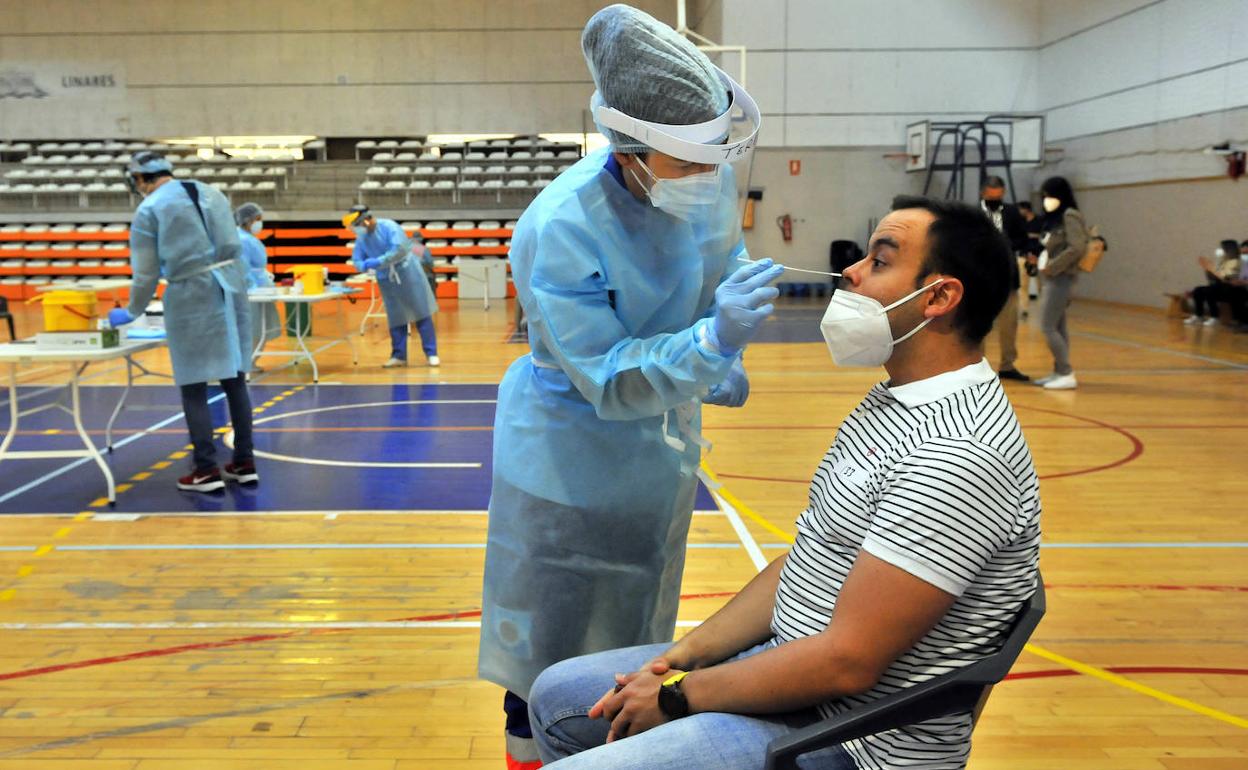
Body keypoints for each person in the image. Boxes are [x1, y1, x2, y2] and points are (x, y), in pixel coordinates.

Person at [527, 195, 1041, 770]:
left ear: (940, 297)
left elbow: (847, 663)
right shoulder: (894, 400)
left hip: (852, 736)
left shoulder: (959, 455)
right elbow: (810, 558)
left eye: (880, 260)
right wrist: (683, 656)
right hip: (793, 674)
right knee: (554, 696)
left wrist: (678, 696)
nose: (851, 271)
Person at [477, 6, 780, 768]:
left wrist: (728, 326)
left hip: (655, 457)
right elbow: (607, 376)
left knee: (638, 638)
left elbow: (722, 268)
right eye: (688, 164)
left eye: (712, 162)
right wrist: (711, 344)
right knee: (548, 654)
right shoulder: (562, 226)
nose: (708, 180)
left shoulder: (699, 182)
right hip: (568, 457)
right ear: (632, 151)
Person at [107, 152, 257, 492]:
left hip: (193, 293)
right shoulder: (212, 192)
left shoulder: (149, 209)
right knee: (235, 378)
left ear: (139, 180)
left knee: (194, 383)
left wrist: (131, 311)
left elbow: (145, 274)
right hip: (231, 287)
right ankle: (245, 461)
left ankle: (205, 469)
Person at [345, 205, 440, 367]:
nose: (357, 231)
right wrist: (361, 265)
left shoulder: (389, 227)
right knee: (396, 317)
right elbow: (357, 258)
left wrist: (379, 261)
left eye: (358, 226)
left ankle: (431, 353)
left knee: (421, 311)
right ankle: (399, 355)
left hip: (407, 273)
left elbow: (399, 249)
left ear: (366, 221)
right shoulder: (362, 238)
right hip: (386, 278)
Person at [1031, 176, 1086, 390]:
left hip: (1061, 278)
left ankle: (1066, 372)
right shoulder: (1054, 218)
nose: (1046, 200)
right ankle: (1058, 371)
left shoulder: (1070, 216)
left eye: (1049, 195)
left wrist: (1052, 266)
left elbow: (1077, 247)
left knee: (1047, 326)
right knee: (1058, 325)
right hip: (1051, 278)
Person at [979, 176, 1030, 381]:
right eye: (991, 197)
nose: (995, 200)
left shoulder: (1011, 212)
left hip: (1007, 277)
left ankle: (1008, 365)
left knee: (1009, 324)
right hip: (981, 278)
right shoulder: (973, 214)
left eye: (999, 197)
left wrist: (1007, 241)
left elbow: (1023, 239)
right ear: (983, 194)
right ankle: (977, 366)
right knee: (979, 326)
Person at [234, 202, 280, 349]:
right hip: (250, 291)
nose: (260, 223)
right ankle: (248, 363)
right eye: (257, 219)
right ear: (247, 221)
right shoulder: (242, 239)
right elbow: (242, 267)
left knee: (262, 327)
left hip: (259, 287)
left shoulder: (249, 238)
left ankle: (250, 362)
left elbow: (255, 265)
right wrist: (252, 287)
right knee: (253, 329)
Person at [1185, 239, 1242, 327]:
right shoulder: (1223, 261)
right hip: (1219, 286)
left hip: (1231, 288)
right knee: (1198, 290)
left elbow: (1226, 277)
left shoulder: (1236, 262)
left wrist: (1211, 268)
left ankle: (1215, 317)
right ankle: (1199, 315)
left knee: (1210, 291)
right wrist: (1208, 270)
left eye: (1223, 248)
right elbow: (1215, 276)